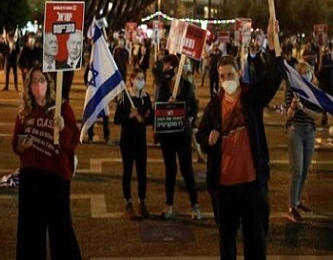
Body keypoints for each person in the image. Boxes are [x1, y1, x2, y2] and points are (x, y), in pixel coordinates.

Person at [196, 18, 283, 260]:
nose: (226, 79)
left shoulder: (251, 97)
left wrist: (272, 40)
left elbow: (276, 74)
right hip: (224, 189)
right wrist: (207, 139)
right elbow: (201, 134)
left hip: (252, 185)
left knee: (255, 240)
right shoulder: (214, 106)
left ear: (238, 73)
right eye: (222, 76)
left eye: (230, 74)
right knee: (227, 242)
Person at [12, 66, 82, 259]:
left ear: (49, 83)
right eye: (34, 81)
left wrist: (63, 128)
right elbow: (15, 143)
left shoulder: (61, 107)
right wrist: (21, 146)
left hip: (56, 176)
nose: (38, 85)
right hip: (31, 175)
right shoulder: (25, 111)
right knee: (30, 231)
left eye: (41, 80)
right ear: (28, 86)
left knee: (61, 230)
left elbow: (74, 140)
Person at [155, 54, 201, 220]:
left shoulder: (187, 86)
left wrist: (190, 117)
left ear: (176, 68)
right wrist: (168, 102)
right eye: (164, 66)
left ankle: (195, 205)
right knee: (170, 170)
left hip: (183, 134)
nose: (166, 69)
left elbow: (194, 106)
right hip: (168, 135)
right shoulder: (162, 86)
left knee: (187, 170)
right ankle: (169, 205)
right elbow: (158, 107)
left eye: (169, 66)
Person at [114, 68, 154, 219]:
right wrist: (130, 115)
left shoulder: (145, 97)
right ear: (131, 80)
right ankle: (128, 203)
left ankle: (142, 201)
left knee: (142, 171)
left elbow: (150, 119)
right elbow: (117, 119)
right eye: (137, 78)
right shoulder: (124, 97)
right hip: (127, 140)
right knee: (128, 171)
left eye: (142, 78)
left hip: (141, 140)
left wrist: (144, 118)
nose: (140, 81)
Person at [285, 62, 321, 224]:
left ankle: (298, 201)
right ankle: (291, 207)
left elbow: (318, 116)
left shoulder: (315, 92)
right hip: (296, 131)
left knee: (305, 169)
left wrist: (303, 108)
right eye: (302, 72)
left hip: (310, 131)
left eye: (308, 72)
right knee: (297, 170)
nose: (305, 74)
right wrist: (293, 106)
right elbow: (288, 115)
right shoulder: (292, 89)